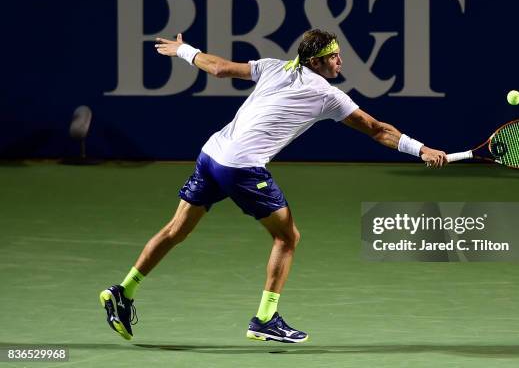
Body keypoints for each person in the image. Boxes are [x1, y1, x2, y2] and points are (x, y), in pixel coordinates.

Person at [99, 29, 447, 344]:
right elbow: (377, 129)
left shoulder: (273, 66)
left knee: (177, 229)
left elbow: (218, 68)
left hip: (212, 154)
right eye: (334, 56)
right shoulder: (326, 94)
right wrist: (423, 150)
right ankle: (265, 318)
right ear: (316, 61)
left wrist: (184, 50)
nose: (341, 60)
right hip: (241, 167)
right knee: (287, 236)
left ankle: (124, 290)